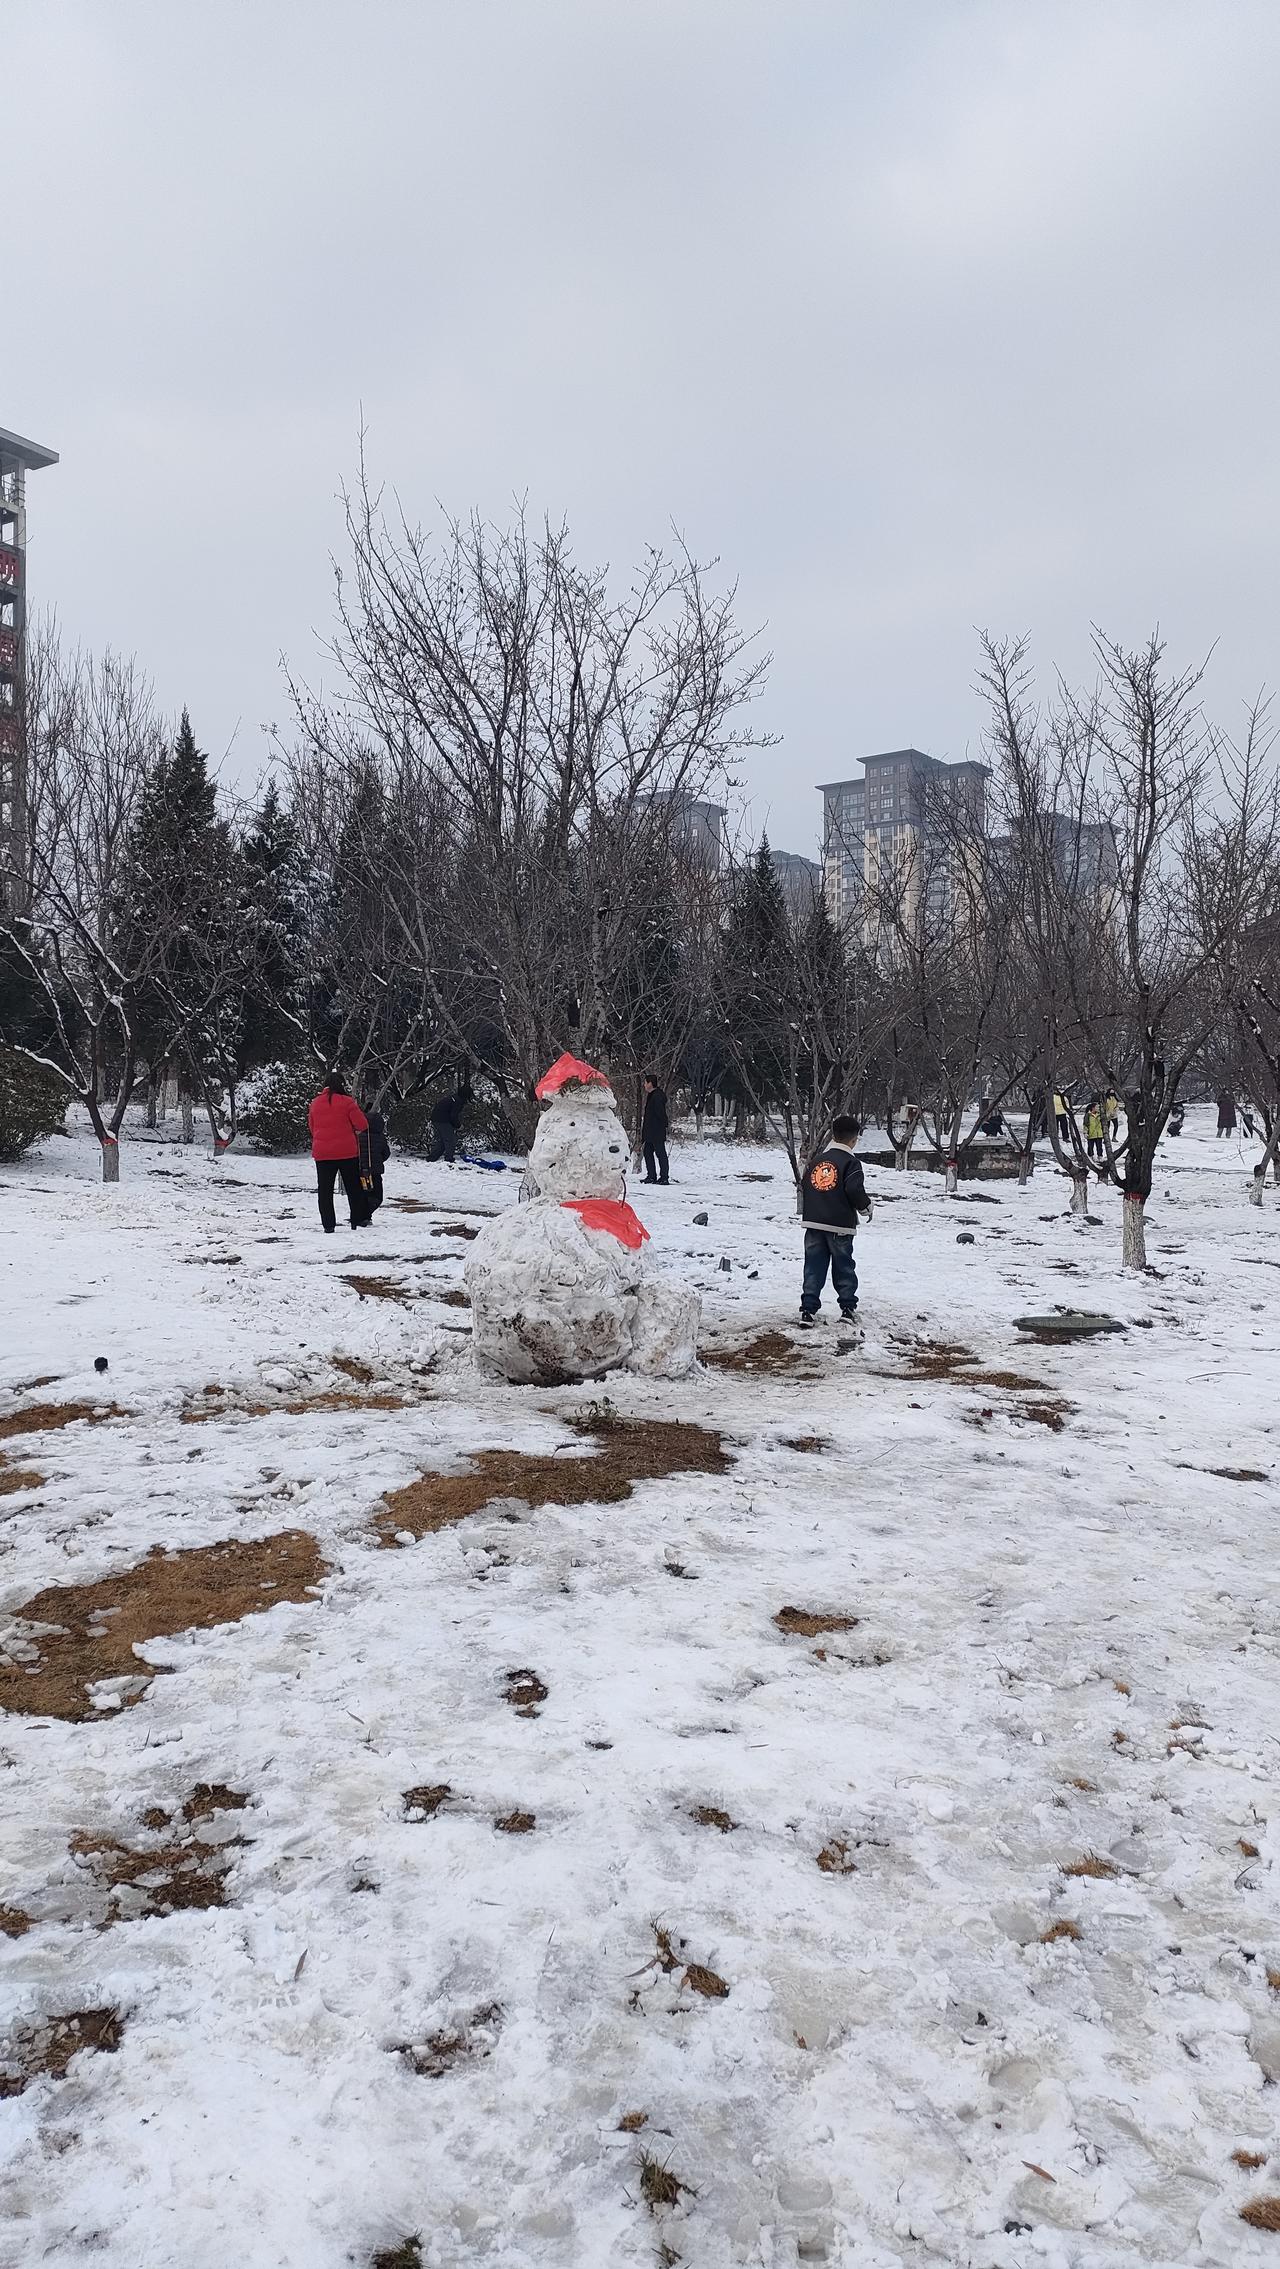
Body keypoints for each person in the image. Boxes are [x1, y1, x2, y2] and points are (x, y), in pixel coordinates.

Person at [799, 1113, 872, 1325]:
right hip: (840, 1225)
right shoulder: (851, 1162)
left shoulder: (817, 1161)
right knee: (844, 1267)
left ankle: (808, 1311)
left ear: (833, 1135)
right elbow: (853, 1188)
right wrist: (865, 1207)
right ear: (854, 1139)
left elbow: (805, 1185)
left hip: (813, 1223)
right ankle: (847, 1309)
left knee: (813, 1266)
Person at [308, 1070, 369, 1234]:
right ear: (342, 1084)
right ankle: (357, 1219)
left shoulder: (315, 1103)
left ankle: (328, 1225)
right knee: (353, 1187)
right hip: (347, 1151)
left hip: (322, 1153)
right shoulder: (348, 1102)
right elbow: (362, 1125)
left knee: (325, 1190)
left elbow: (312, 1127)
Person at [359, 1088, 392, 1219]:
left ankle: (361, 1214)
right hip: (376, 1170)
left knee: (363, 1193)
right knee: (377, 1196)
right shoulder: (380, 1137)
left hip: (360, 1169)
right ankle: (365, 1215)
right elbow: (386, 1153)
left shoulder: (358, 1135)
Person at [428, 1081, 470, 1163]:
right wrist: (458, 1126)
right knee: (450, 1139)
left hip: (436, 1118)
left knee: (443, 1139)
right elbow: (453, 1116)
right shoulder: (458, 1101)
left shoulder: (454, 1098)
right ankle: (449, 1159)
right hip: (442, 1120)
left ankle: (433, 1157)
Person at [641, 1075, 669, 1185]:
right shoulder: (652, 1095)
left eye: (645, 1083)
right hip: (650, 1131)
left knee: (660, 1153)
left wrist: (663, 1125)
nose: (644, 1085)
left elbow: (660, 1114)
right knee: (647, 1152)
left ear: (650, 1083)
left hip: (656, 1131)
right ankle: (651, 1175)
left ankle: (664, 1177)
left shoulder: (657, 1096)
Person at [1084, 1096, 1105, 1161]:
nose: (1098, 1108)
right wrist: (1085, 1132)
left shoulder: (1100, 1115)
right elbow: (1085, 1124)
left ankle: (1100, 1156)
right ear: (1093, 1108)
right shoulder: (1088, 1115)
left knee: (1099, 1146)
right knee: (1090, 1146)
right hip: (1091, 1134)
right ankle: (1090, 1156)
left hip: (1099, 1134)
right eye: (1097, 1107)